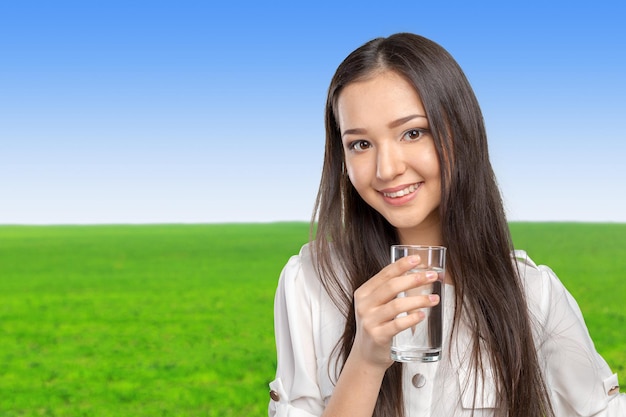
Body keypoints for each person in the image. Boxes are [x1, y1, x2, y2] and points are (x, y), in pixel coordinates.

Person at [268, 33, 625, 417]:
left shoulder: (533, 296)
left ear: (460, 133)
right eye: (360, 144)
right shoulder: (309, 284)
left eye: (413, 133)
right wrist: (366, 361)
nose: (387, 169)